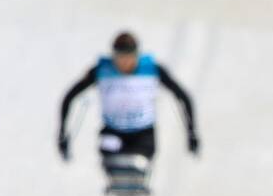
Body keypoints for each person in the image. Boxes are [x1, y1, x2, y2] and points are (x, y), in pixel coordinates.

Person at [57, 31, 198, 180]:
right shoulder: (101, 70)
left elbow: (182, 97)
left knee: (137, 171)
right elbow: (70, 97)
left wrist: (191, 131)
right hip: (112, 132)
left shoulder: (152, 69)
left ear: (136, 55)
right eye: (120, 57)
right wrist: (63, 133)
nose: (124, 62)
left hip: (143, 134)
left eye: (129, 57)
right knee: (114, 169)